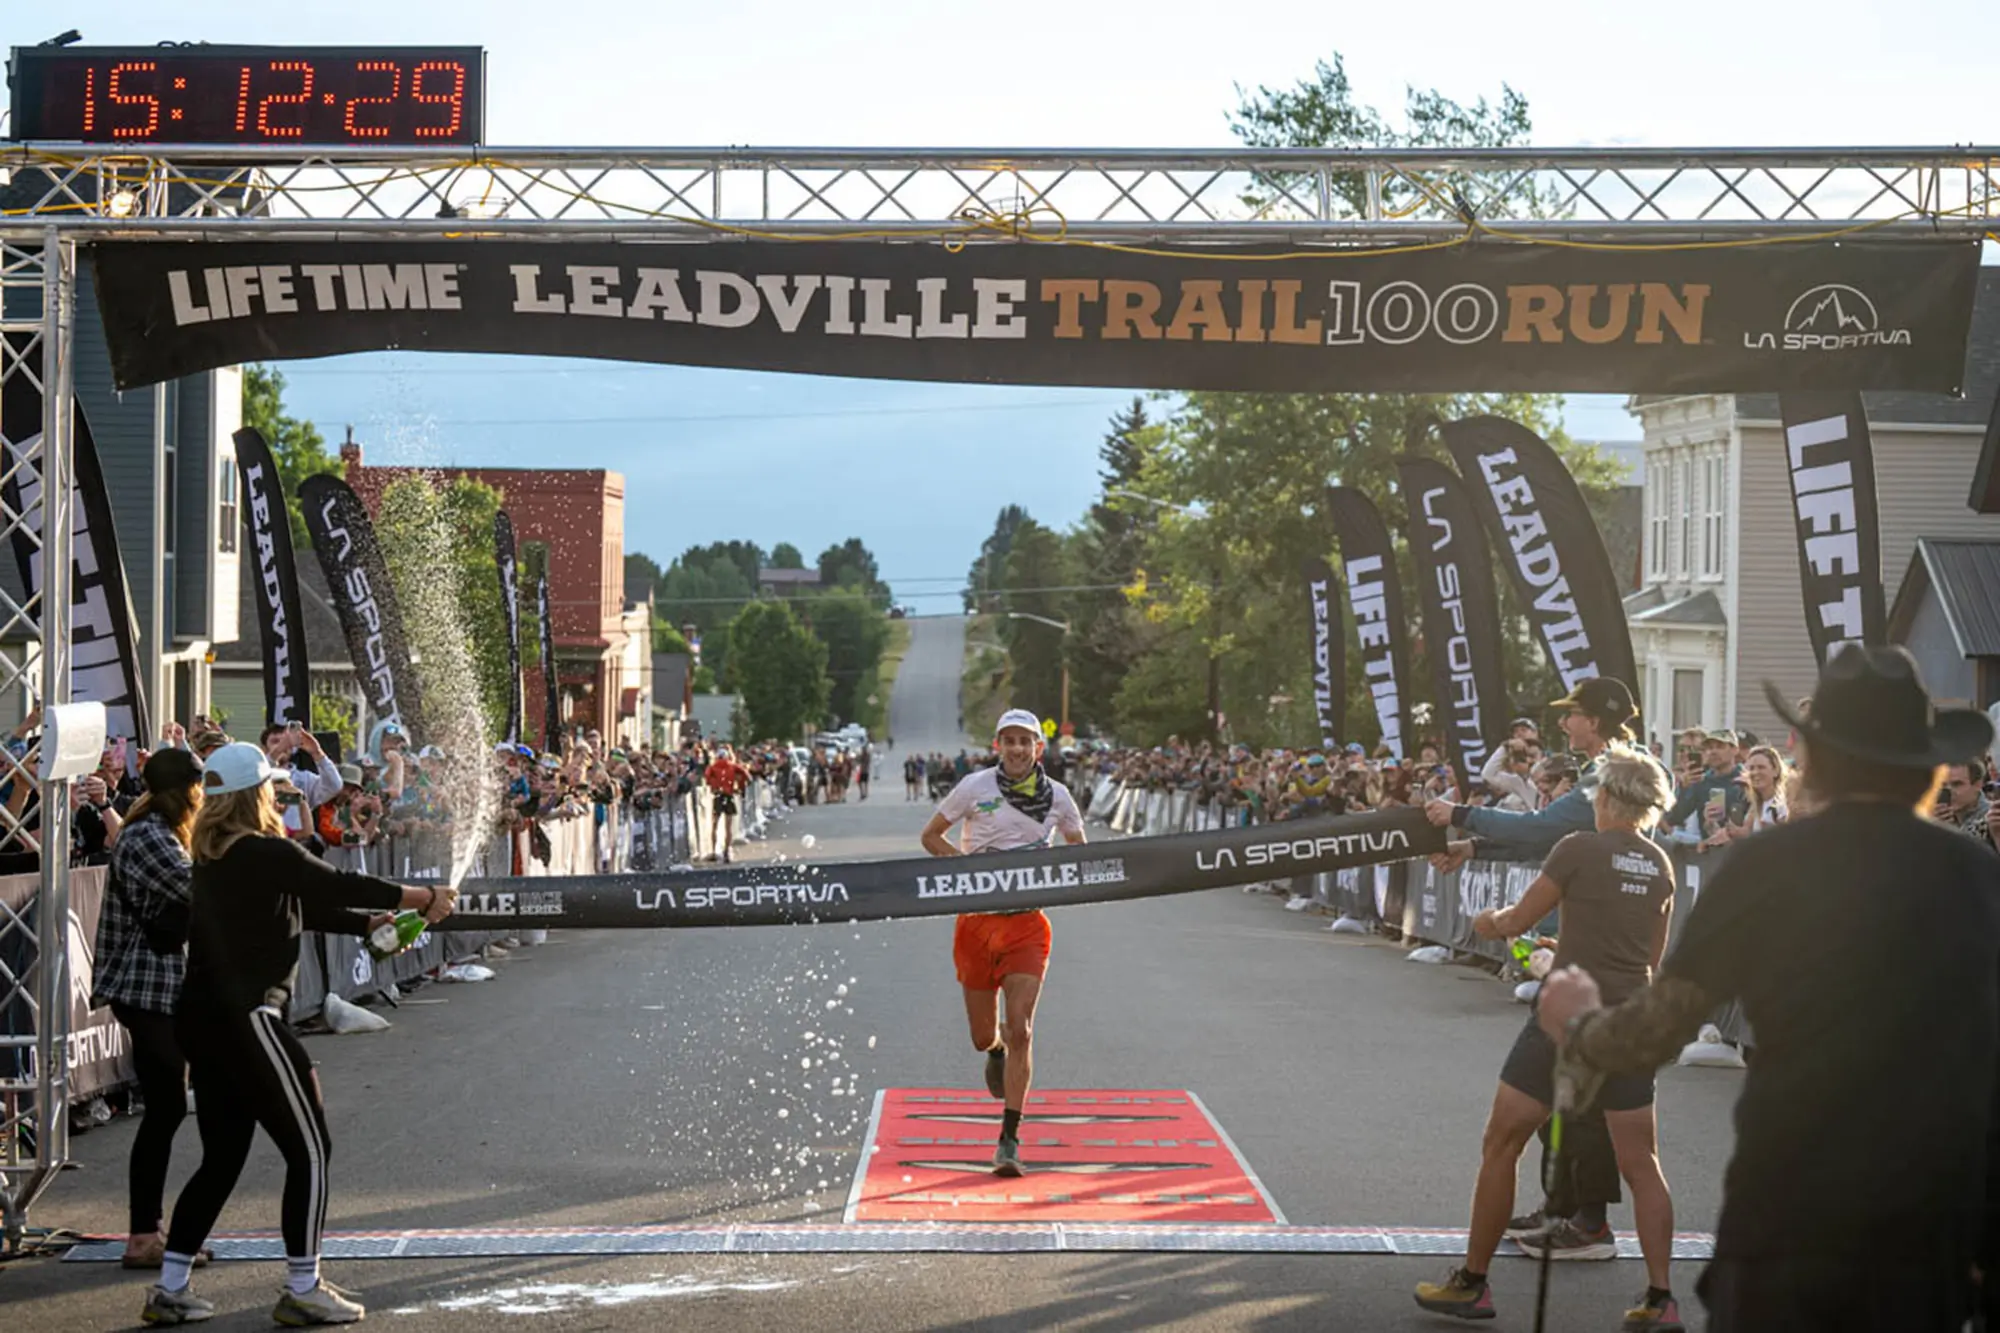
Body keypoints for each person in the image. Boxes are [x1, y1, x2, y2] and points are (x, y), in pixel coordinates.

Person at [1537, 646, 2000, 1332]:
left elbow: (1658, 1029)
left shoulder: (1770, 865)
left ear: (1814, 757)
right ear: (1926, 766)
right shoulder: (1974, 873)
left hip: (1790, 1211)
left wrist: (1577, 1024)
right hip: (1924, 1224)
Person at [142, 743, 457, 1327]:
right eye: (274, 788)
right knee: (310, 1148)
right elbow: (334, 883)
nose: (280, 796)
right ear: (253, 795)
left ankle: (170, 1287)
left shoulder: (215, 856)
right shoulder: (262, 850)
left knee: (223, 1157)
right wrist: (422, 898)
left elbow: (297, 910)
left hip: (206, 1023)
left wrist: (372, 926)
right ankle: (303, 1285)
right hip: (251, 1019)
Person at [1415, 747, 1683, 1328]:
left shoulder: (1578, 847)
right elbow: (1645, 959)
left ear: (1607, 797)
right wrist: (1566, 949)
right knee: (1642, 1162)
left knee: (1502, 1142)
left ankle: (1472, 1283)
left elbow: (1513, 922)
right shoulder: (1660, 863)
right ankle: (1662, 1299)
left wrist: (1490, 923)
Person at [1424, 676, 1644, 1263]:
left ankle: (1589, 1221)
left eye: (1572, 714)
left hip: (1601, 951)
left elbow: (1546, 831)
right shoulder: (1613, 766)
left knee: (1584, 1096)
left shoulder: (1617, 771)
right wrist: (1473, 847)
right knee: (1564, 1094)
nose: (1564, 723)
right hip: (1595, 940)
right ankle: (1563, 1208)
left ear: (1595, 720)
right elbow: (1552, 840)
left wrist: (1462, 815)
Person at [920, 708, 1085, 1178]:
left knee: (1023, 1029)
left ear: (1038, 748)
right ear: (998, 746)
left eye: (1024, 741)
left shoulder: (1059, 798)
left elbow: (1080, 852)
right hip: (975, 923)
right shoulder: (975, 788)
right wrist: (969, 870)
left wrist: (1062, 875)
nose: (1016, 749)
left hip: (1028, 927)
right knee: (983, 1035)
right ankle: (993, 1052)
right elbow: (931, 836)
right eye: (1008, 740)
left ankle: (1009, 1139)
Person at [93, 749, 209, 1272]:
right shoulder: (150, 838)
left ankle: (149, 1231)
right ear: (187, 790)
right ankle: (144, 1235)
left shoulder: (158, 831)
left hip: (159, 985)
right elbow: (201, 890)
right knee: (164, 1108)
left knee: (165, 1109)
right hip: (142, 985)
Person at [260, 723, 341, 846]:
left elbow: (334, 786)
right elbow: (259, 773)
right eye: (275, 741)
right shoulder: (258, 774)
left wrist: (318, 754)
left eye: (287, 742)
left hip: (298, 845)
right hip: (264, 843)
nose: (283, 746)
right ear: (264, 748)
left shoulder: (304, 778)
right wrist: (276, 752)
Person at [704, 743, 749, 863]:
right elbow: (746, 775)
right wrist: (739, 786)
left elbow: (707, 778)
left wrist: (713, 786)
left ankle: (713, 851)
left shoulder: (713, 767)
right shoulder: (732, 766)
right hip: (729, 795)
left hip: (718, 795)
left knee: (714, 825)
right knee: (728, 826)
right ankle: (726, 851)